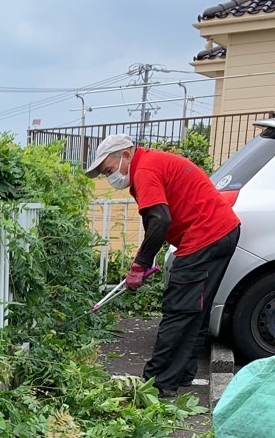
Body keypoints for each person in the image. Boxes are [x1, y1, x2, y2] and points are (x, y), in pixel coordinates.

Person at [86, 134, 240, 396]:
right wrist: (144, 260)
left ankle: (155, 383)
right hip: (221, 231)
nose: (111, 178)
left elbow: (159, 220)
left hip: (205, 236)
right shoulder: (152, 163)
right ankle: (180, 376)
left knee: (178, 309)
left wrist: (139, 265)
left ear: (125, 155)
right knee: (195, 311)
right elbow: (161, 220)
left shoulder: (144, 169)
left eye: (110, 170)